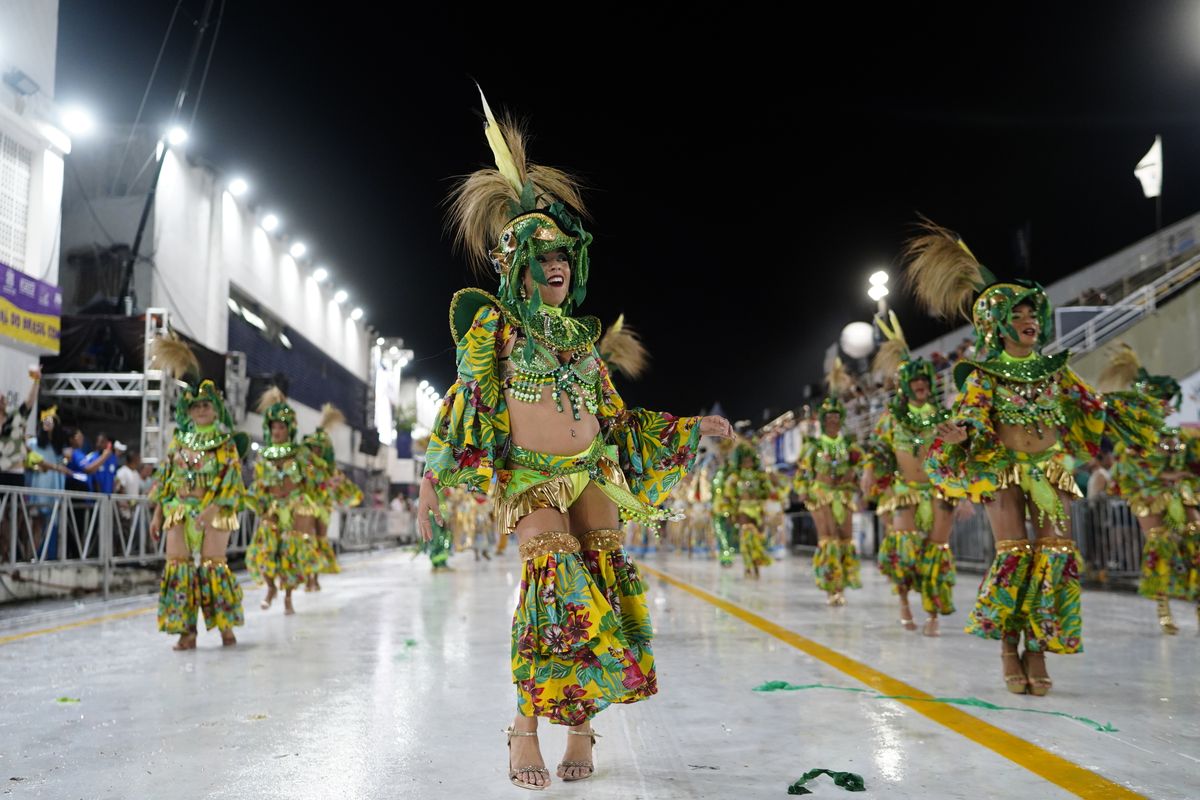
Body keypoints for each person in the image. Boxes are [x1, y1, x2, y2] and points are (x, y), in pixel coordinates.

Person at [418, 91, 731, 791]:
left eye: (562, 253)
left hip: (593, 474)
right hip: (530, 478)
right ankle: (524, 729)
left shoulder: (584, 342)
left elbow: (615, 420)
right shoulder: (493, 330)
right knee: (553, 593)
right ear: (514, 267)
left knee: (598, 602)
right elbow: (463, 408)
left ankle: (582, 730)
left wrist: (688, 427)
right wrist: (432, 482)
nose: (556, 263)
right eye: (540, 255)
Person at [911, 221, 1159, 696]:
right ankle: (1009, 647)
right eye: (1018, 312)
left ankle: (1038, 650)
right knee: (1015, 555)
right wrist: (961, 433)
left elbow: (1092, 404)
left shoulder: (1055, 371)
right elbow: (972, 415)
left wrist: (1132, 413)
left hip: (1051, 470)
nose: (1029, 319)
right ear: (998, 323)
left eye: (1032, 311)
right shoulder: (984, 374)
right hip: (1003, 470)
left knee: (1056, 554)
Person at [147, 337, 249, 650]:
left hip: (214, 511)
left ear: (215, 409)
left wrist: (212, 509)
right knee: (178, 567)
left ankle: (225, 628)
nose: (201, 410)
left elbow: (232, 481)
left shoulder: (225, 444)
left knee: (213, 566)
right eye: (196, 406)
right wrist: (158, 514)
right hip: (178, 510)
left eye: (206, 405)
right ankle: (186, 632)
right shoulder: (178, 441)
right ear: (188, 410)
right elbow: (167, 479)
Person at [862, 312, 958, 635]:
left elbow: (956, 455)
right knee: (904, 550)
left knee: (937, 552)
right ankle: (904, 602)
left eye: (925, 381)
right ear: (906, 386)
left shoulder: (943, 417)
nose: (921, 385)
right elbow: (877, 449)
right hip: (905, 491)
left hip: (940, 491)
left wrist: (964, 491)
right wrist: (868, 471)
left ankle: (932, 614)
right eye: (915, 381)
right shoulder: (891, 419)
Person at [1098, 343, 1199, 634]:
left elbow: (1191, 462)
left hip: (1179, 494)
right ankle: (1163, 607)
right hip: (1148, 496)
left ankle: (1197, 601)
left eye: (1166, 401)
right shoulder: (1133, 441)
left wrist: (1182, 471)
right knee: (1160, 544)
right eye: (1159, 401)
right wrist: (1169, 473)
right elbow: (1133, 471)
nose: (1165, 406)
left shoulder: (1179, 436)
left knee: (1195, 538)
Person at [794, 359, 864, 606]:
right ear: (823, 420)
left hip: (844, 494)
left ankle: (842, 584)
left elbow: (861, 465)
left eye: (836, 415)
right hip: (821, 494)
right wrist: (803, 490)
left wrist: (854, 476)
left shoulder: (849, 444)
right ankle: (831, 586)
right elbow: (803, 470)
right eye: (829, 416)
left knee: (845, 538)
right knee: (829, 537)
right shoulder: (813, 445)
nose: (833, 419)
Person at [246, 387, 321, 614]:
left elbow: (312, 480)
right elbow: (259, 483)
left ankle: (288, 597)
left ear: (289, 429)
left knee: (290, 552)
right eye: (274, 427)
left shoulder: (300, 454)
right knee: (266, 549)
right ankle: (270, 588)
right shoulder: (263, 455)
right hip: (272, 507)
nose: (277, 431)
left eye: (281, 427)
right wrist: (257, 502)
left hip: (295, 506)